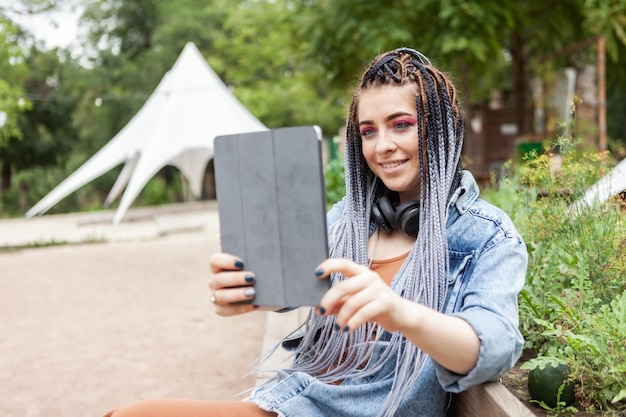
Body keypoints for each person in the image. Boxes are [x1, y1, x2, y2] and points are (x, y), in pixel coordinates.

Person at [103, 47, 527, 417]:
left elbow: (494, 345)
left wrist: (399, 312)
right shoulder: (348, 218)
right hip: (291, 403)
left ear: (438, 131)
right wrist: (239, 288)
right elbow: (284, 283)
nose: (382, 146)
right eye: (368, 131)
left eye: (401, 124)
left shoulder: (486, 237)